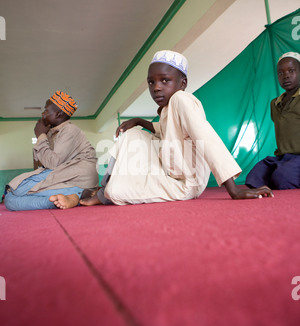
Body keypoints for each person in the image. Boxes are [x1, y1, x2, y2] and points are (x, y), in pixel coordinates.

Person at [51, 50, 273, 209]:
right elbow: (162, 130)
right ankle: (102, 188)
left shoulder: (182, 100)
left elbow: (205, 136)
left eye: (165, 80)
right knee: (133, 134)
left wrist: (233, 189)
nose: (156, 87)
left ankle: (99, 192)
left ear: (182, 83)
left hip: (187, 183)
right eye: (151, 82)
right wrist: (138, 120)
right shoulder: (168, 109)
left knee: (117, 192)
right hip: (168, 173)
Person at [5, 91, 99, 211]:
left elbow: (52, 163)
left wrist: (40, 136)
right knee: (10, 200)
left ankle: (78, 193)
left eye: (46, 110)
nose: (43, 113)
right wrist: (44, 135)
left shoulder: (69, 130)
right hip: (63, 177)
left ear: (58, 114)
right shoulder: (52, 132)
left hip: (77, 178)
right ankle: (69, 198)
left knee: (17, 189)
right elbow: (41, 163)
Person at [246, 52, 300, 190]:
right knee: (254, 177)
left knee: (283, 177)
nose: (286, 75)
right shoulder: (275, 104)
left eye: (291, 70)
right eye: (280, 73)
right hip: (283, 157)